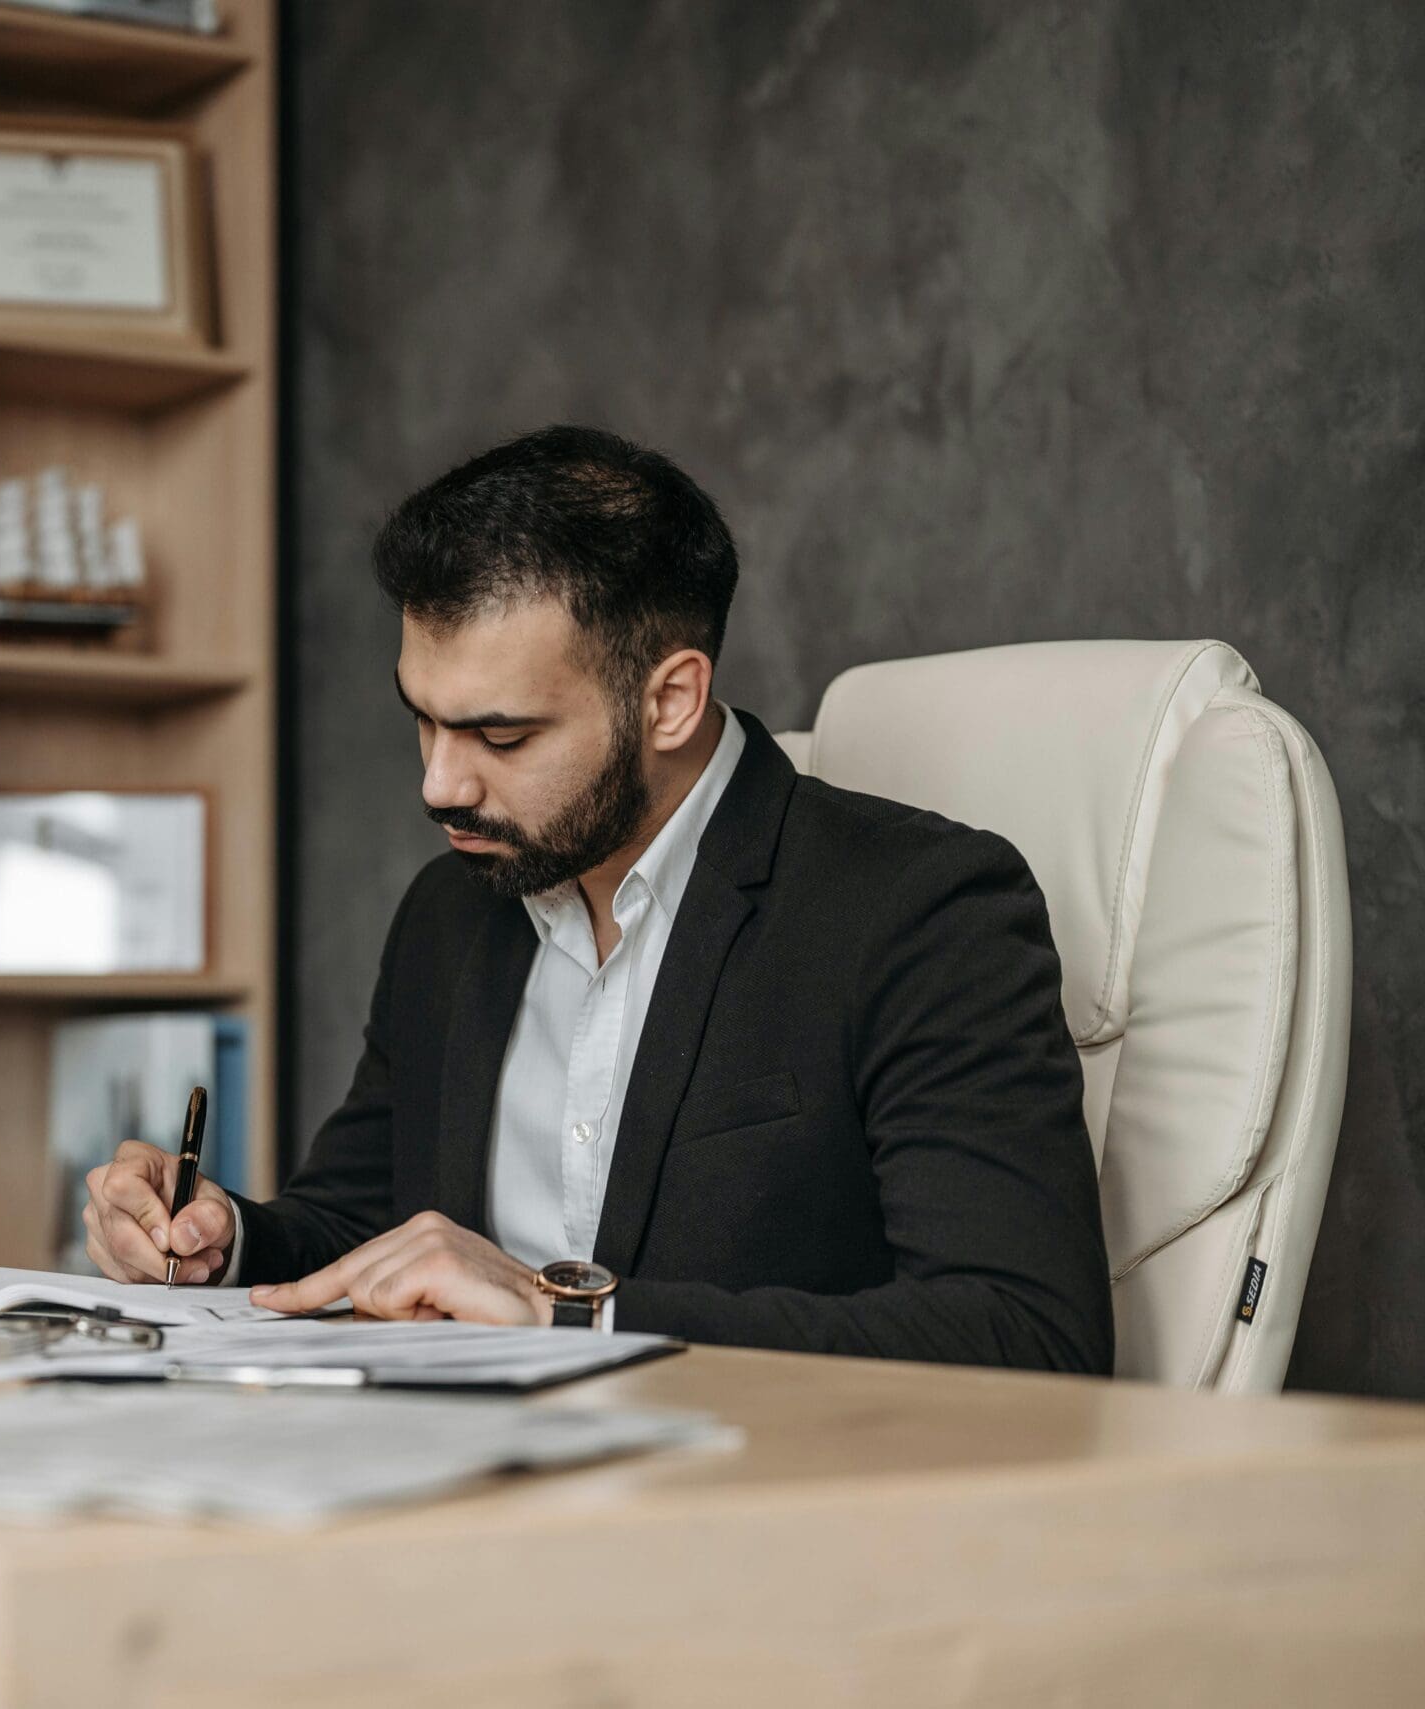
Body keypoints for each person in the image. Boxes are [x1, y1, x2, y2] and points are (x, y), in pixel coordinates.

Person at [83, 426, 1114, 1371]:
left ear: (669, 699)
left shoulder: (920, 910)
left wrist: (567, 1318)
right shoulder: (453, 909)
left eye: (500, 736)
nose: (439, 784)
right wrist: (222, 1240)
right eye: (423, 721)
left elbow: (1025, 1333)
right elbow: (362, 1219)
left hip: (753, 1515)